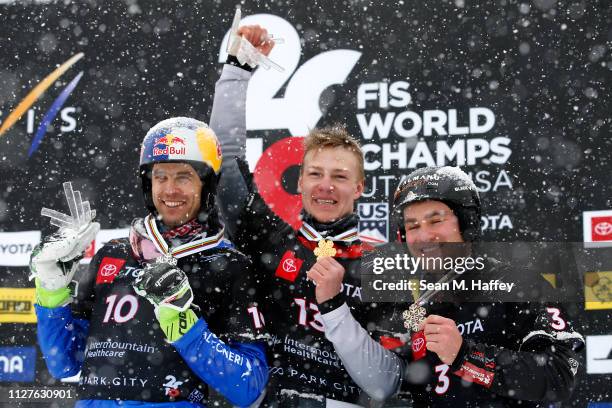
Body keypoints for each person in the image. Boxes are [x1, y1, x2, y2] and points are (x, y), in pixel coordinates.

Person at [30, 116, 269, 407]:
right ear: (148, 182)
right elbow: (64, 363)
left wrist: (182, 322)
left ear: (207, 184)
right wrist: (52, 294)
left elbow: (249, 386)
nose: (170, 190)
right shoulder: (113, 253)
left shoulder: (229, 265)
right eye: (160, 176)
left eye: (184, 176)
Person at [211, 40, 398, 404]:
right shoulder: (269, 239)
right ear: (300, 182)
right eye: (315, 173)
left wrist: (334, 307)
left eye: (340, 177)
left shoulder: (383, 268)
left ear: (359, 187)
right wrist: (236, 71)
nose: (326, 186)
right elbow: (226, 160)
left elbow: (386, 385)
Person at [314, 165, 586, 407]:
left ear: (466, 224)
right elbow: (386, 381)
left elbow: (560, 376)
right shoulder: (403, 296)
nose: (423, 236)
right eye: (412, 226)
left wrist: (466, 355)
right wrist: (332, 304)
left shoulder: (518, 283)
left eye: (436, 220)